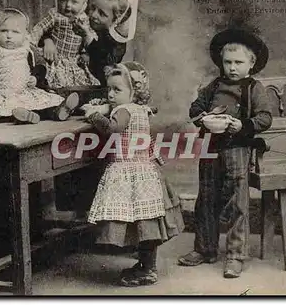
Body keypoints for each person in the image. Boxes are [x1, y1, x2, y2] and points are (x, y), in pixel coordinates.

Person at [177, 28, 273, 278]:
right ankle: (205, 249)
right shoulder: (214, 86)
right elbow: (196, 107)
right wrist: (202, 118)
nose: (232, 67)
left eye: (238, 62)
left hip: (237, 148)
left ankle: (235, 255)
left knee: (237, 203)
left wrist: (244, 125)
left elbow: (265, 118)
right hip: (210, 146)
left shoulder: (254, 88)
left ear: (251, 64)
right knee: (206, 199)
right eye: (228, 62)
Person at [82, 61, 184, 287]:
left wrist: (92, 115)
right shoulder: (141, 109)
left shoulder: (124, 110)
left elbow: (111, 128)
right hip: (144, 169)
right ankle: (146, 265)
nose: (111, 94)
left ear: (133, 91)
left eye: (117, 90)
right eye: (109, 89)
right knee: (144, 222)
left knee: (140, 221)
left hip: (130, 171)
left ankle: (148, 269)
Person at [0, 7, 79, 123]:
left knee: (41, 103)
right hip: (3, 94)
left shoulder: (28, 49)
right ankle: (22, 117)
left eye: (15, 32)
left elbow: (41, 65)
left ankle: (57, 111)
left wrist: (36, 78)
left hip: (24, 92)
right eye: (3, 31)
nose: (9, 35)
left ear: (25, 34)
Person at [42, 0, 140, 86]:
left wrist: (88, 38)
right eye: (93, 8)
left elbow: (103, 69)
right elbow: (56, 28)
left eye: (102, 14)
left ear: (115, 20)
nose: (93, 15)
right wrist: (48, 40)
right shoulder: (83, 20)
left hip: (92, 86)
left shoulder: (116, 44)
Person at [29, 0, 101, 89]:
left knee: (76, 81)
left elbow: (90, 37)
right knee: (52, 78)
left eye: (74, 2)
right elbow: (40, 28)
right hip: (56, 57)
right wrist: (31, 42)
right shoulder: (56, 16)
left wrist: (86, 53)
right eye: (63, 0)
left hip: (73, 60)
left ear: (84, 5)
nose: (68, 5)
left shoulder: (84, 21)